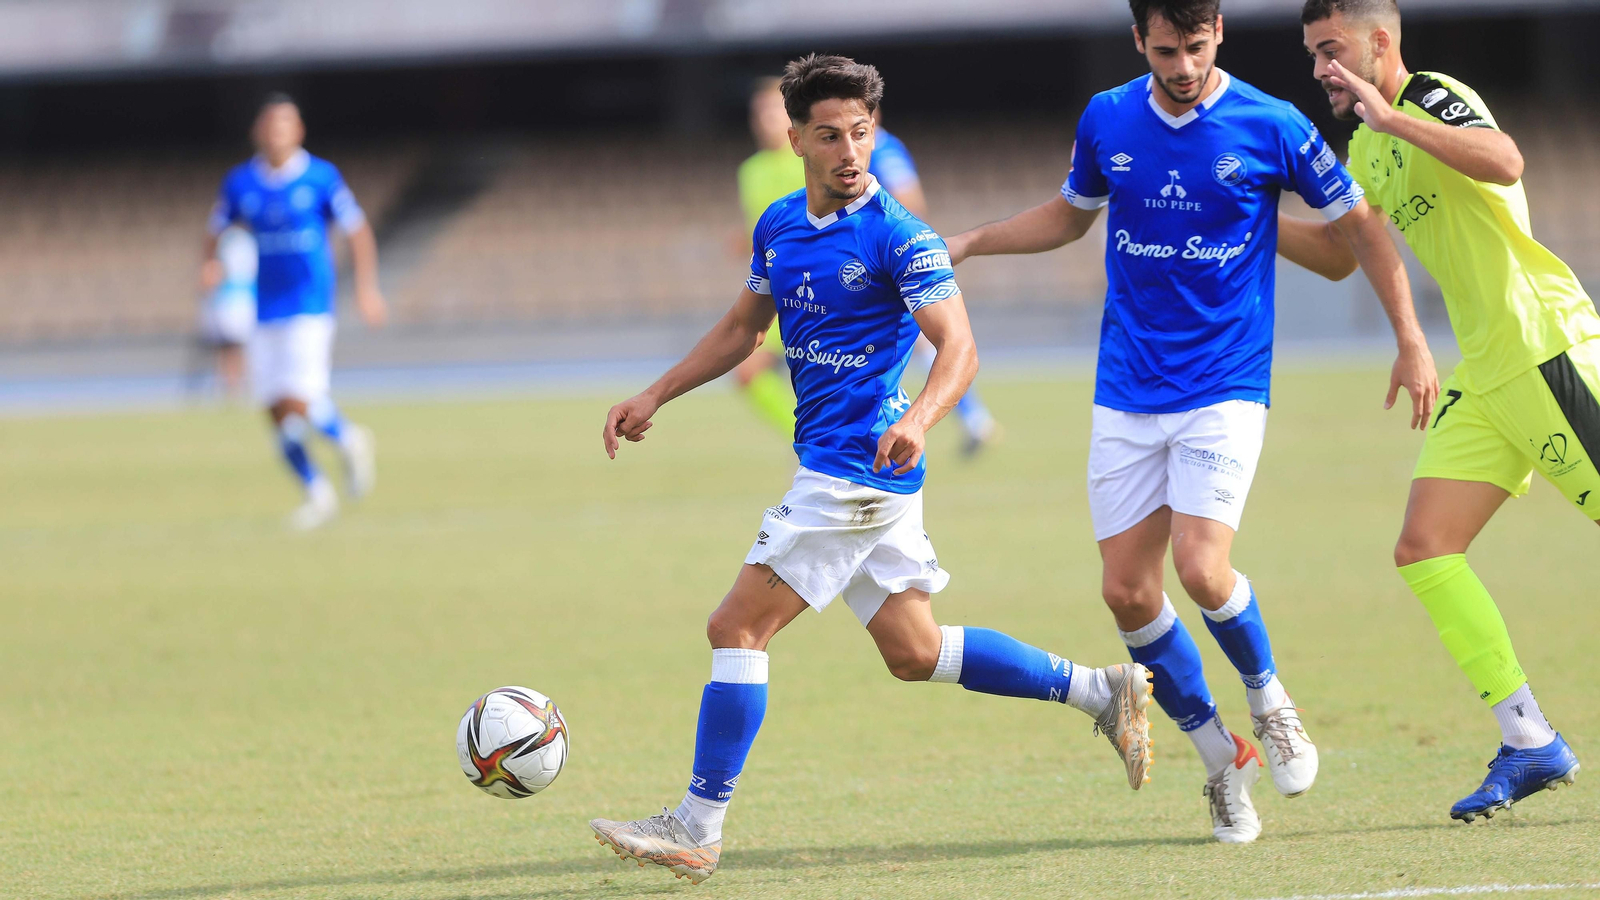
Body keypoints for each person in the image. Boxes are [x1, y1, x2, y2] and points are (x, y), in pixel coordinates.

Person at [590, 54, 1155, 885]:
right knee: (914, 651)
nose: (849, 150)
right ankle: (1100, 691)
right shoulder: (780, 224)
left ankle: (697, 827)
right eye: (829, 135)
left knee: (735, 628)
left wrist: (921, 419)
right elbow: (743, 328)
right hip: (850, 471)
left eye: (861, 132)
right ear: (796, 140)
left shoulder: (899, 235)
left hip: (855, 472)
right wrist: (656, 393)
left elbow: (959, 348)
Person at [944, 0, 1438, 842]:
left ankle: (1271, 702)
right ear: (1140, 40)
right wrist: (970, 242)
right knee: (1127, 593)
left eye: (1197, 47)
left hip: (1224, 382)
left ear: (1220, 35)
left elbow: (1357, 233)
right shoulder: (1107, 117)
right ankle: (1221, 759)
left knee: (1202, 569)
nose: (1182, 66)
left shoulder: (1272, 123)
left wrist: (1411, 338)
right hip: (1126, 387)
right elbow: (1070, 215)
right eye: (1166, 50)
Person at [1288, 0, 1587, 823]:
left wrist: (1397, 118)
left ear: (1379, 42)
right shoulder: (1363, 145)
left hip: (1545, 348)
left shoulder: (1429, 96)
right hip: (1487, 375)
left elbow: (1506, 159)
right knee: (1424, 548)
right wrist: (1241, 212)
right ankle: (1529, 737)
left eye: (1330, 50)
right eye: (1312, 54)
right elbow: (1346, 251)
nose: (1319, 70)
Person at [204, 93, 386, 530]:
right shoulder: (241, 183)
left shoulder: (321, 178)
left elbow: (357, 230)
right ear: (258, 131)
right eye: (270, 125)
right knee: (275, 410)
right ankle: (319, 494)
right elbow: (215, 228)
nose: (276, 133)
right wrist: (209, 263)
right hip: (265, 305)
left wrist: (366, 287)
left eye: (284, 124)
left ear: (298, 131)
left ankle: (348, 438)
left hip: (310, 304)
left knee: (298, 397)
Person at [872, 112, 1001, 456]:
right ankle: (974, 418)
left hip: (891, 260)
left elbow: (910, 199)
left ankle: (973, 418)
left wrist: (889, 245)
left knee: (929, 342)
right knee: (921, 345)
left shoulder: (882, 149)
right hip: (884, 258)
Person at [733, 78, 802, 437]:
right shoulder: (750, 171)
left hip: (812, 286)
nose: (764, 119)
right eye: (758, 113)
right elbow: (760, 229)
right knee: (749, 373)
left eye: (773, 110)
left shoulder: (810, 162)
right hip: (774, 290)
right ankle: (809, 443)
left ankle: (811, 444)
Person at [195, 224, 257, 398]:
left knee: (230, 348)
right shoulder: (247, 241)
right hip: (243, 300)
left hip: (232, 301)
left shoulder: (228, 241)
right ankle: (235, 386)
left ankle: (232, 386)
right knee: (234, 347)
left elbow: (212, 274)